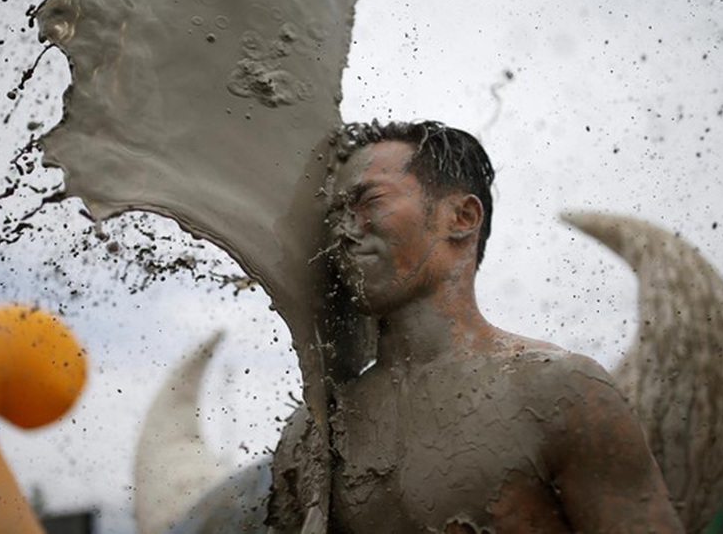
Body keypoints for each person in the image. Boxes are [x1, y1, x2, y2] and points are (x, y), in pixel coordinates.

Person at [267, 120, 683, 533]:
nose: (342, 230)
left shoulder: (562, 393)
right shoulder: (314, 430)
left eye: (368, 201)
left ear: (461, 217)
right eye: (335, 213)